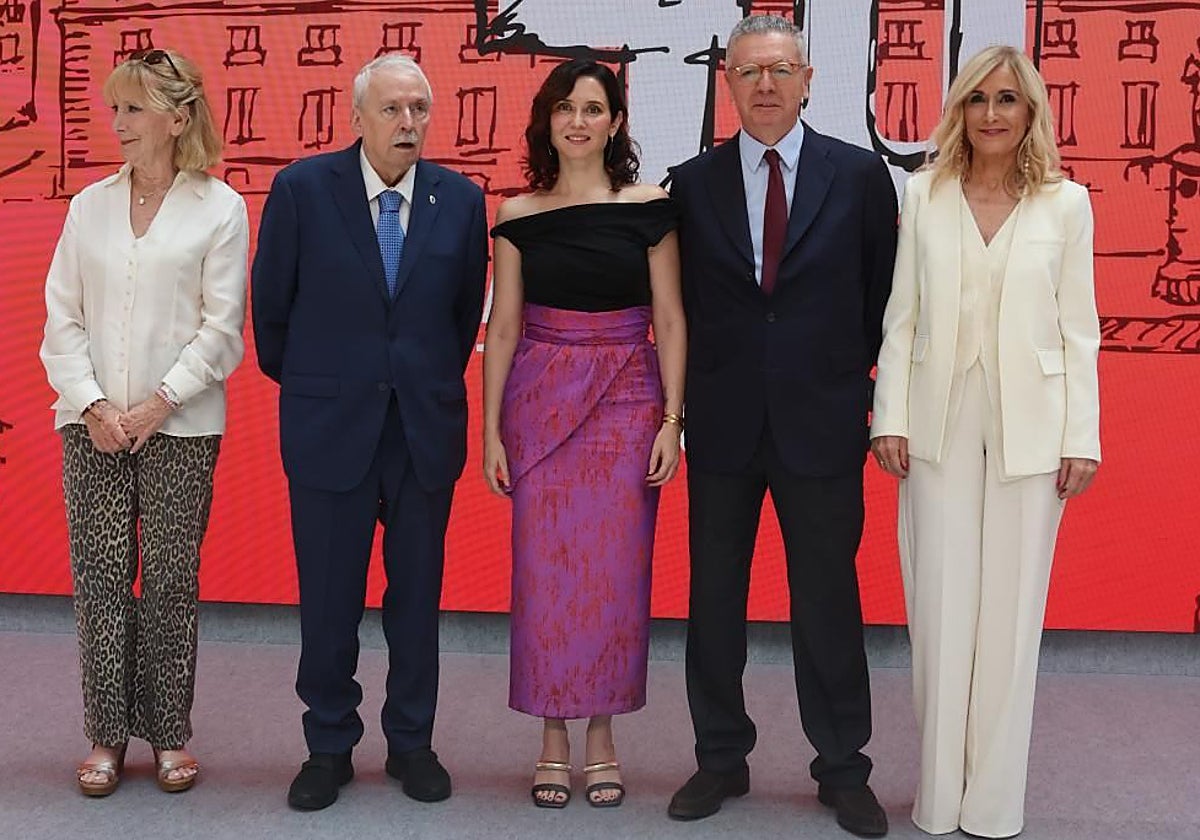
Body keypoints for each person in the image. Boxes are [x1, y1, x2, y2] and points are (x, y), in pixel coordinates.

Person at [666, 15, 896, 837]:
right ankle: (719, 758)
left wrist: (843, 386)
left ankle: (842, 767)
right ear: (726, 82)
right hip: (723, 425)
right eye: (748, 72)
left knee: (828, 602)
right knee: (715, 603)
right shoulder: (690, 183)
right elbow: (682, 306)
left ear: (807, 80)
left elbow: (879, 300)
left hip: (822, 423)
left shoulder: (861, 175)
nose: (765, 85)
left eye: (780, 70)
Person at [870, 45, 1100, 838]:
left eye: (1008, 99)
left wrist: (1083, 435)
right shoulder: (924, 192)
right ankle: (938, 797)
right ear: (960, 111)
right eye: (978, 100)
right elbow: (902, 318)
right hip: (935, 418)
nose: (992, 114)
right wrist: (889, 416)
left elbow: (1079, 331)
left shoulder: (1067, 205)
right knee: (939, 609)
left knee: (1010, 616)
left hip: (1033, 428)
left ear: (1031, 110)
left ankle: (994, 802)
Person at [251, 54, 488, 811]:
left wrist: (410, 382)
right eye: (391, 110)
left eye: (419, 108)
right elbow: (272, 320)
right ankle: (327, 744)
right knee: (328, 602)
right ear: (355, 118)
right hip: (328, 427)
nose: (408, 123)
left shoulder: (462, 199)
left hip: (421, 430)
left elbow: (459, 321)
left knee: (416, 601)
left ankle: (412, 743)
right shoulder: (299, 191)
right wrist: (333, 384)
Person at [39, 48, 248, 797]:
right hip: (89, 426)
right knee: (98, 582)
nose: (117, 123)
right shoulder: (87, 205)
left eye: (132, 109)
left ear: (177, 117)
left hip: (181, 429)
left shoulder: (220, 207)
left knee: (168, 583)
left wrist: (158, 404)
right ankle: (104, 736)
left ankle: (167, 737)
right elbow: (60, 316)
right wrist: (93, 405)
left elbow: (222, 331)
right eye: (114, 108)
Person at [483, 59, 686, 809]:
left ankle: (601, 735)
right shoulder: (516, 214)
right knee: (545, 574)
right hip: (539, 404)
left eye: (593, 108)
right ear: (547, 120)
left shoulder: (650, 205)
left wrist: (672, 419)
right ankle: (551, 736)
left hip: (629, 402)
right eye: (565, 107)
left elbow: (670, 318)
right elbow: (502, 326)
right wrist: (490, 431)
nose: (578, 120)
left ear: (616, 122)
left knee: (614, 577)